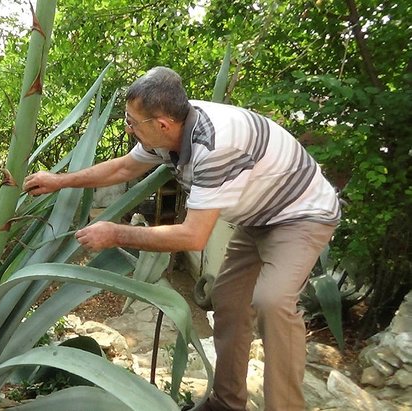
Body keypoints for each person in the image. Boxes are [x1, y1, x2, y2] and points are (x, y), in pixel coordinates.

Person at [23, 67, 340, 411]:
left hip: (302, 212)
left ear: (161, 124)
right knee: (230, 301)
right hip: (256, 218)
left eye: (132, 121)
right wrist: (60, 180)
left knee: (271, 301)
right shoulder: (170, 132)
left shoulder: (215, 146)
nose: (128, 127)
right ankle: (227, 403)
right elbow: (123, 168)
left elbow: (194, 236)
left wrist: (115, 233)